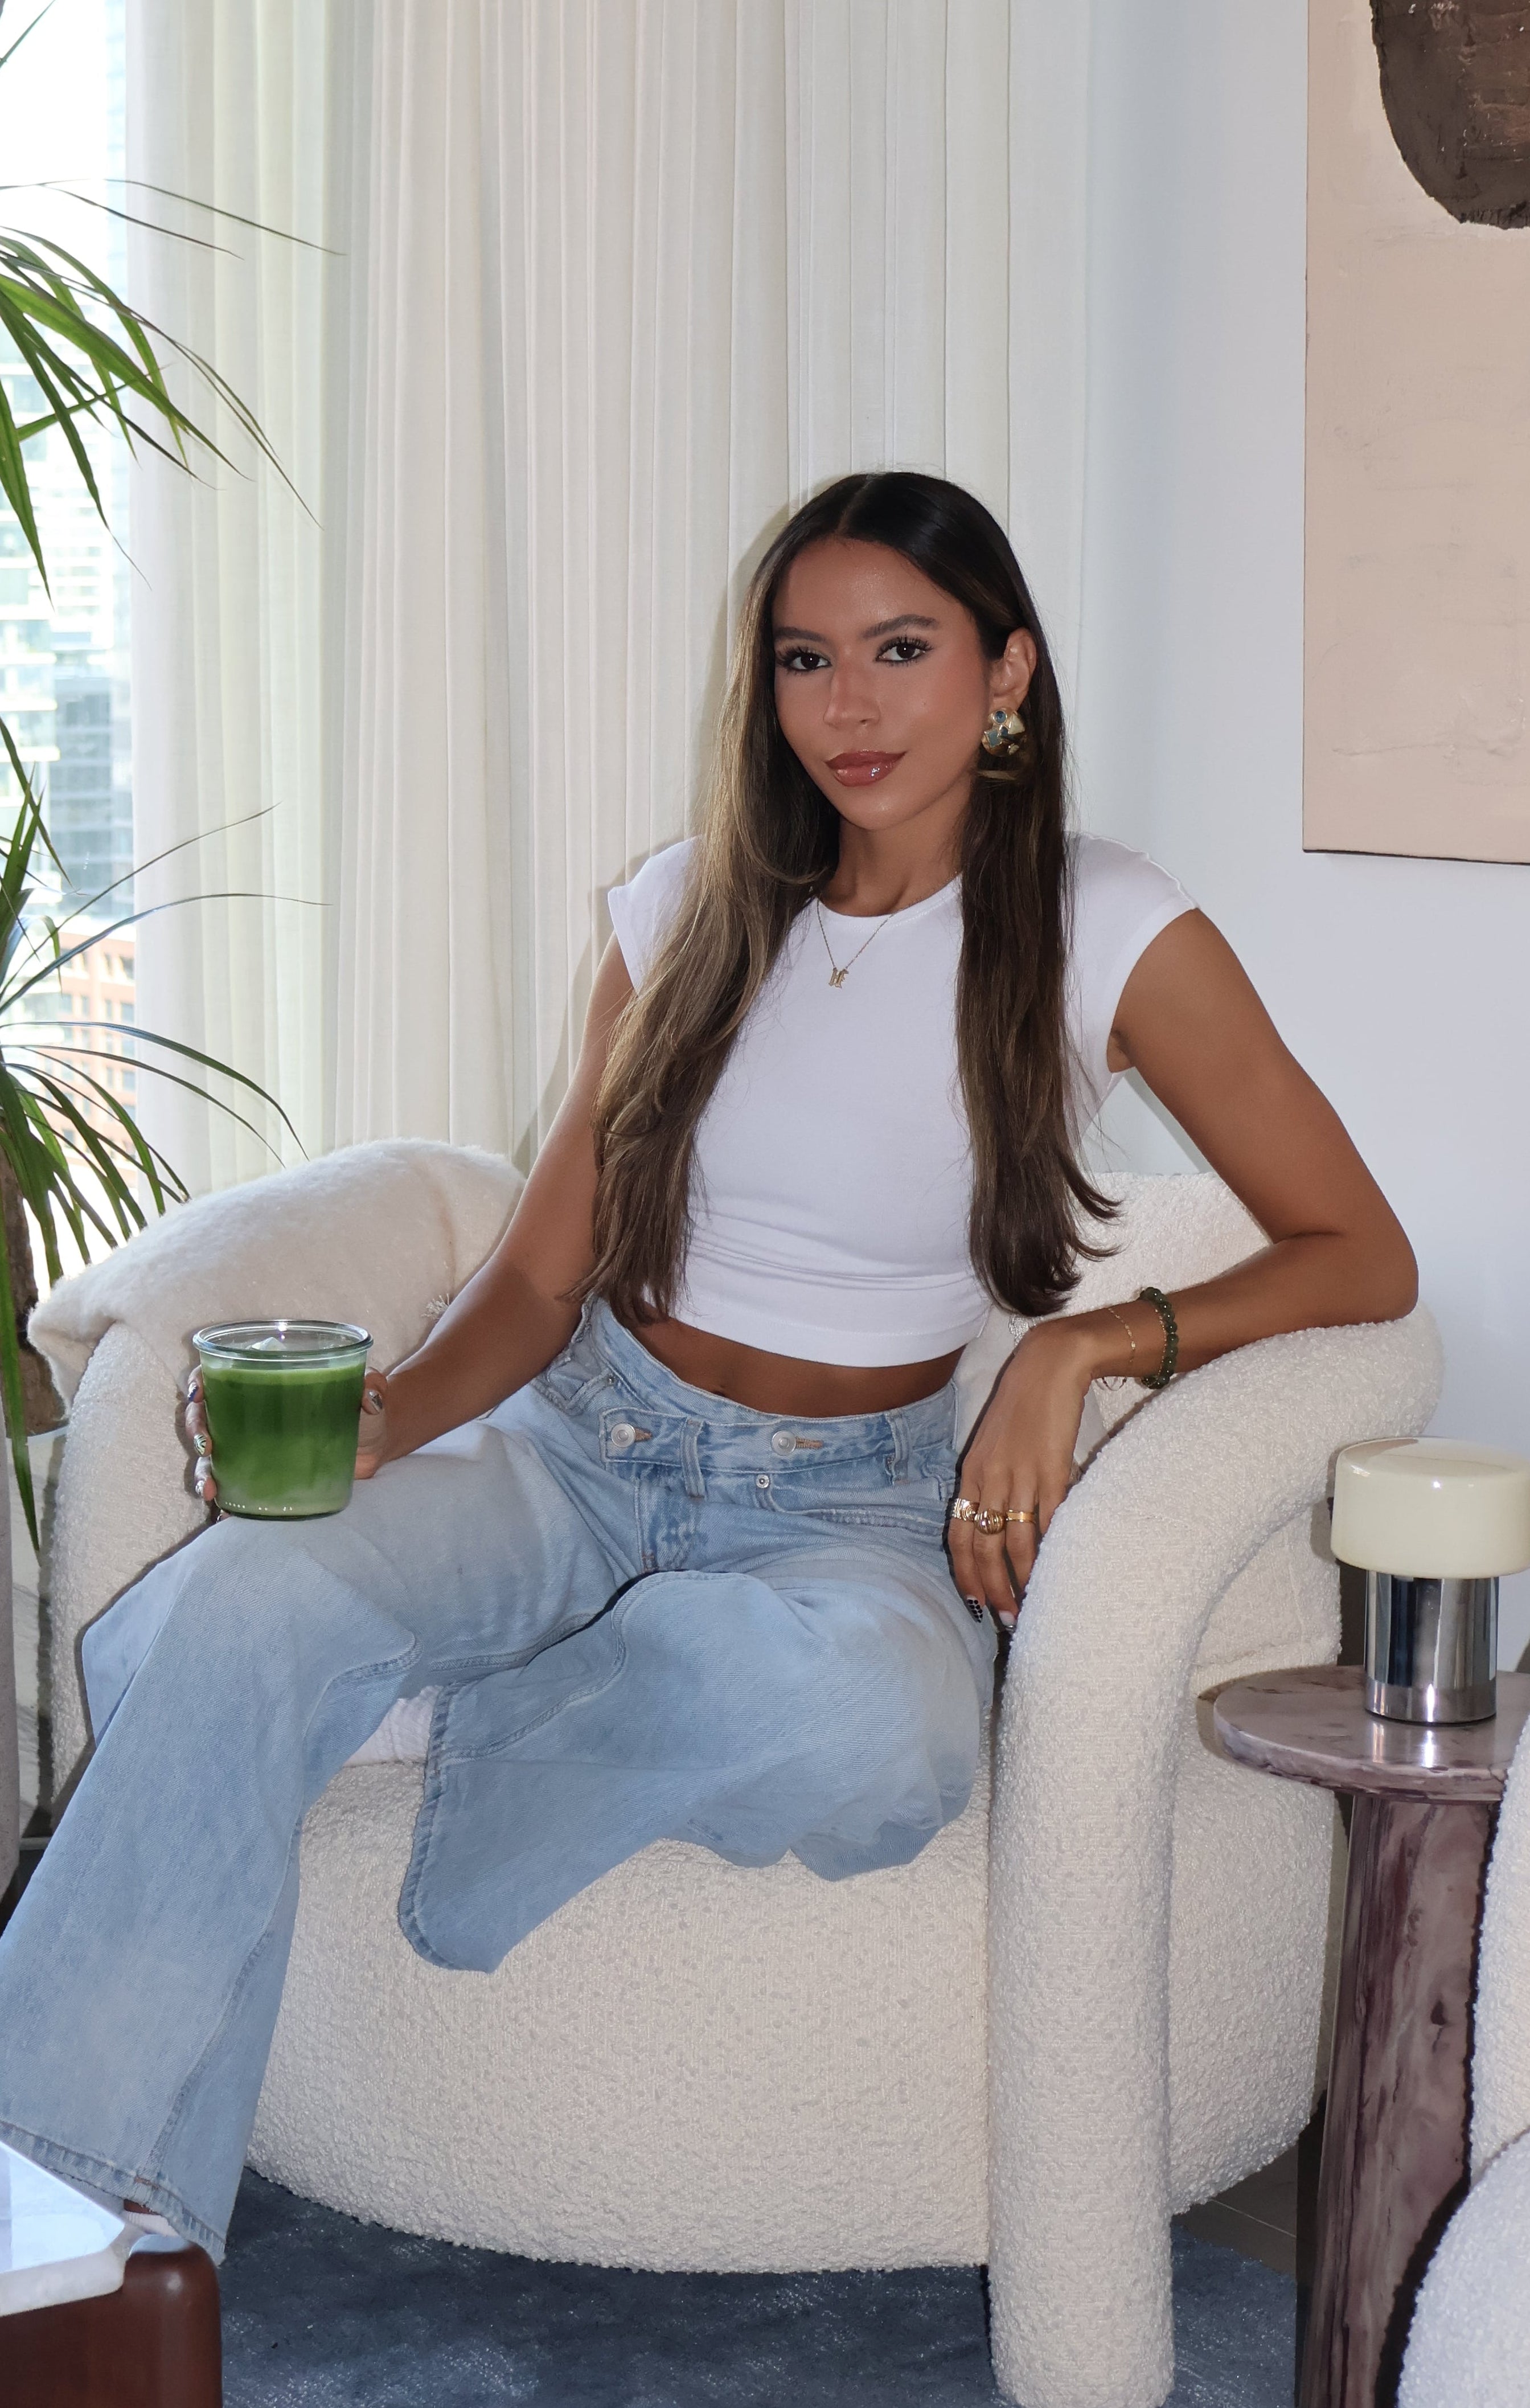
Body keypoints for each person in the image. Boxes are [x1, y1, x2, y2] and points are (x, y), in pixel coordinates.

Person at [0, 471, 1416, 2305]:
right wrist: (391, 1421)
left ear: (1008, 672)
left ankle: (460, 1723)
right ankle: (66, 2225)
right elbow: (539, 1267)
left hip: (849, 1506)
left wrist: (1080, 1345)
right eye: (806, 659)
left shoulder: (1103, 922)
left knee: (890, 1733)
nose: (848, 707)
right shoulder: (686, 911)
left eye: (901, 651)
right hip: (578, 1445)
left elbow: (1354, 1249)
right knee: (228, 1609)